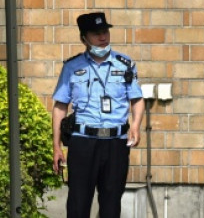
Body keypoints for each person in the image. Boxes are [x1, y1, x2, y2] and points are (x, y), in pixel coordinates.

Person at [52, 12, 144, 218]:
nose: (103, 38)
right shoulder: (72, 67)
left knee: (111, 205)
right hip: (83, 142)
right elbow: (60, 106)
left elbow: (137, 99)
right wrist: (56, 146)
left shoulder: (125, 64)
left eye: (105, 32)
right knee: (78, 204)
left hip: (116, 143)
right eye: (96, 34)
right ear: (84, 38)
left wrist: (136, 126)